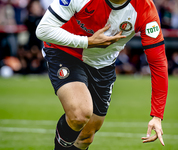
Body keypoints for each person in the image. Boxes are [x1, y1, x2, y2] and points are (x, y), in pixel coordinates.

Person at [36, 0, 168, 149]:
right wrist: (87, 42)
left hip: (103, 63)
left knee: (86, 136)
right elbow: (43, 30)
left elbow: (158, 63)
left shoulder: (145, 9)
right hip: (66, 52)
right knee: (80, 113)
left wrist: (157, 115)